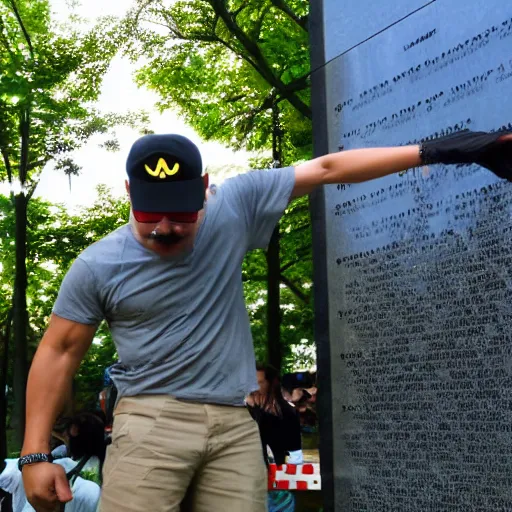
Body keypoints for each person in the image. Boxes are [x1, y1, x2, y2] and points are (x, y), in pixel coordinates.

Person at [20, 129, 512, 511]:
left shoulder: (234, 204)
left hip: (235, 425)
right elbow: (58, 352)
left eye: (180, 212)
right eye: (150, 212)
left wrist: (441, 150)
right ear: (128, 189)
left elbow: (328, 167)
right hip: (151, 422)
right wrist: (34, 454)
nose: (166, 226)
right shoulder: (98, 265)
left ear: (205, 189)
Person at [247, 364, 303, 466]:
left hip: (275, 470)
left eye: (259, 382)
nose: (253, 387)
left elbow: (295, 453)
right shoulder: (245, 409)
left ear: (270, 383)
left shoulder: (286, 412)